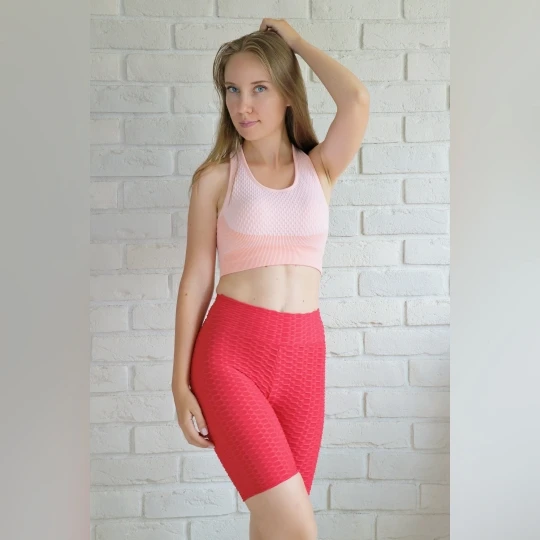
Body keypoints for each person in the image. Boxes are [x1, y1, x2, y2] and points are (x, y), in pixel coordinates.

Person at [171, 18, 370, 540]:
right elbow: (196, 279)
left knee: (275, 527)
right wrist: (179, 382)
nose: (243, 105)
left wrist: (297, 43)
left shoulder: (319, 170)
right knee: (299, 529)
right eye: (232, 90)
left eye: (259, 88)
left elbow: (355, 101)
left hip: (304, 358)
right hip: (231, 357)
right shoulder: (216, 178)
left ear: (287, 94)